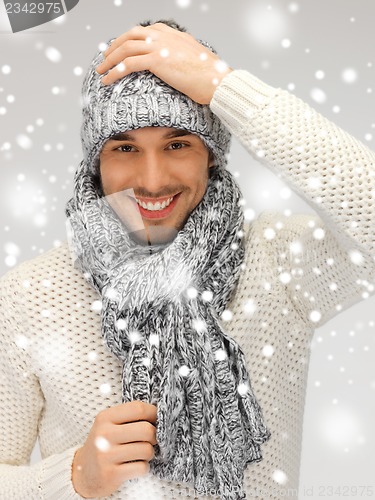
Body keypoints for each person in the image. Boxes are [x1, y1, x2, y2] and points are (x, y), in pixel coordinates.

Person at [0, 18, 374, 500]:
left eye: (178, 144)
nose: (152, 180)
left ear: (213, 156)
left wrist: (227, 89)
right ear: (95, 163)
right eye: (125, 147)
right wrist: (71, 477)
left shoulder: (278, 263)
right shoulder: (29, 296)